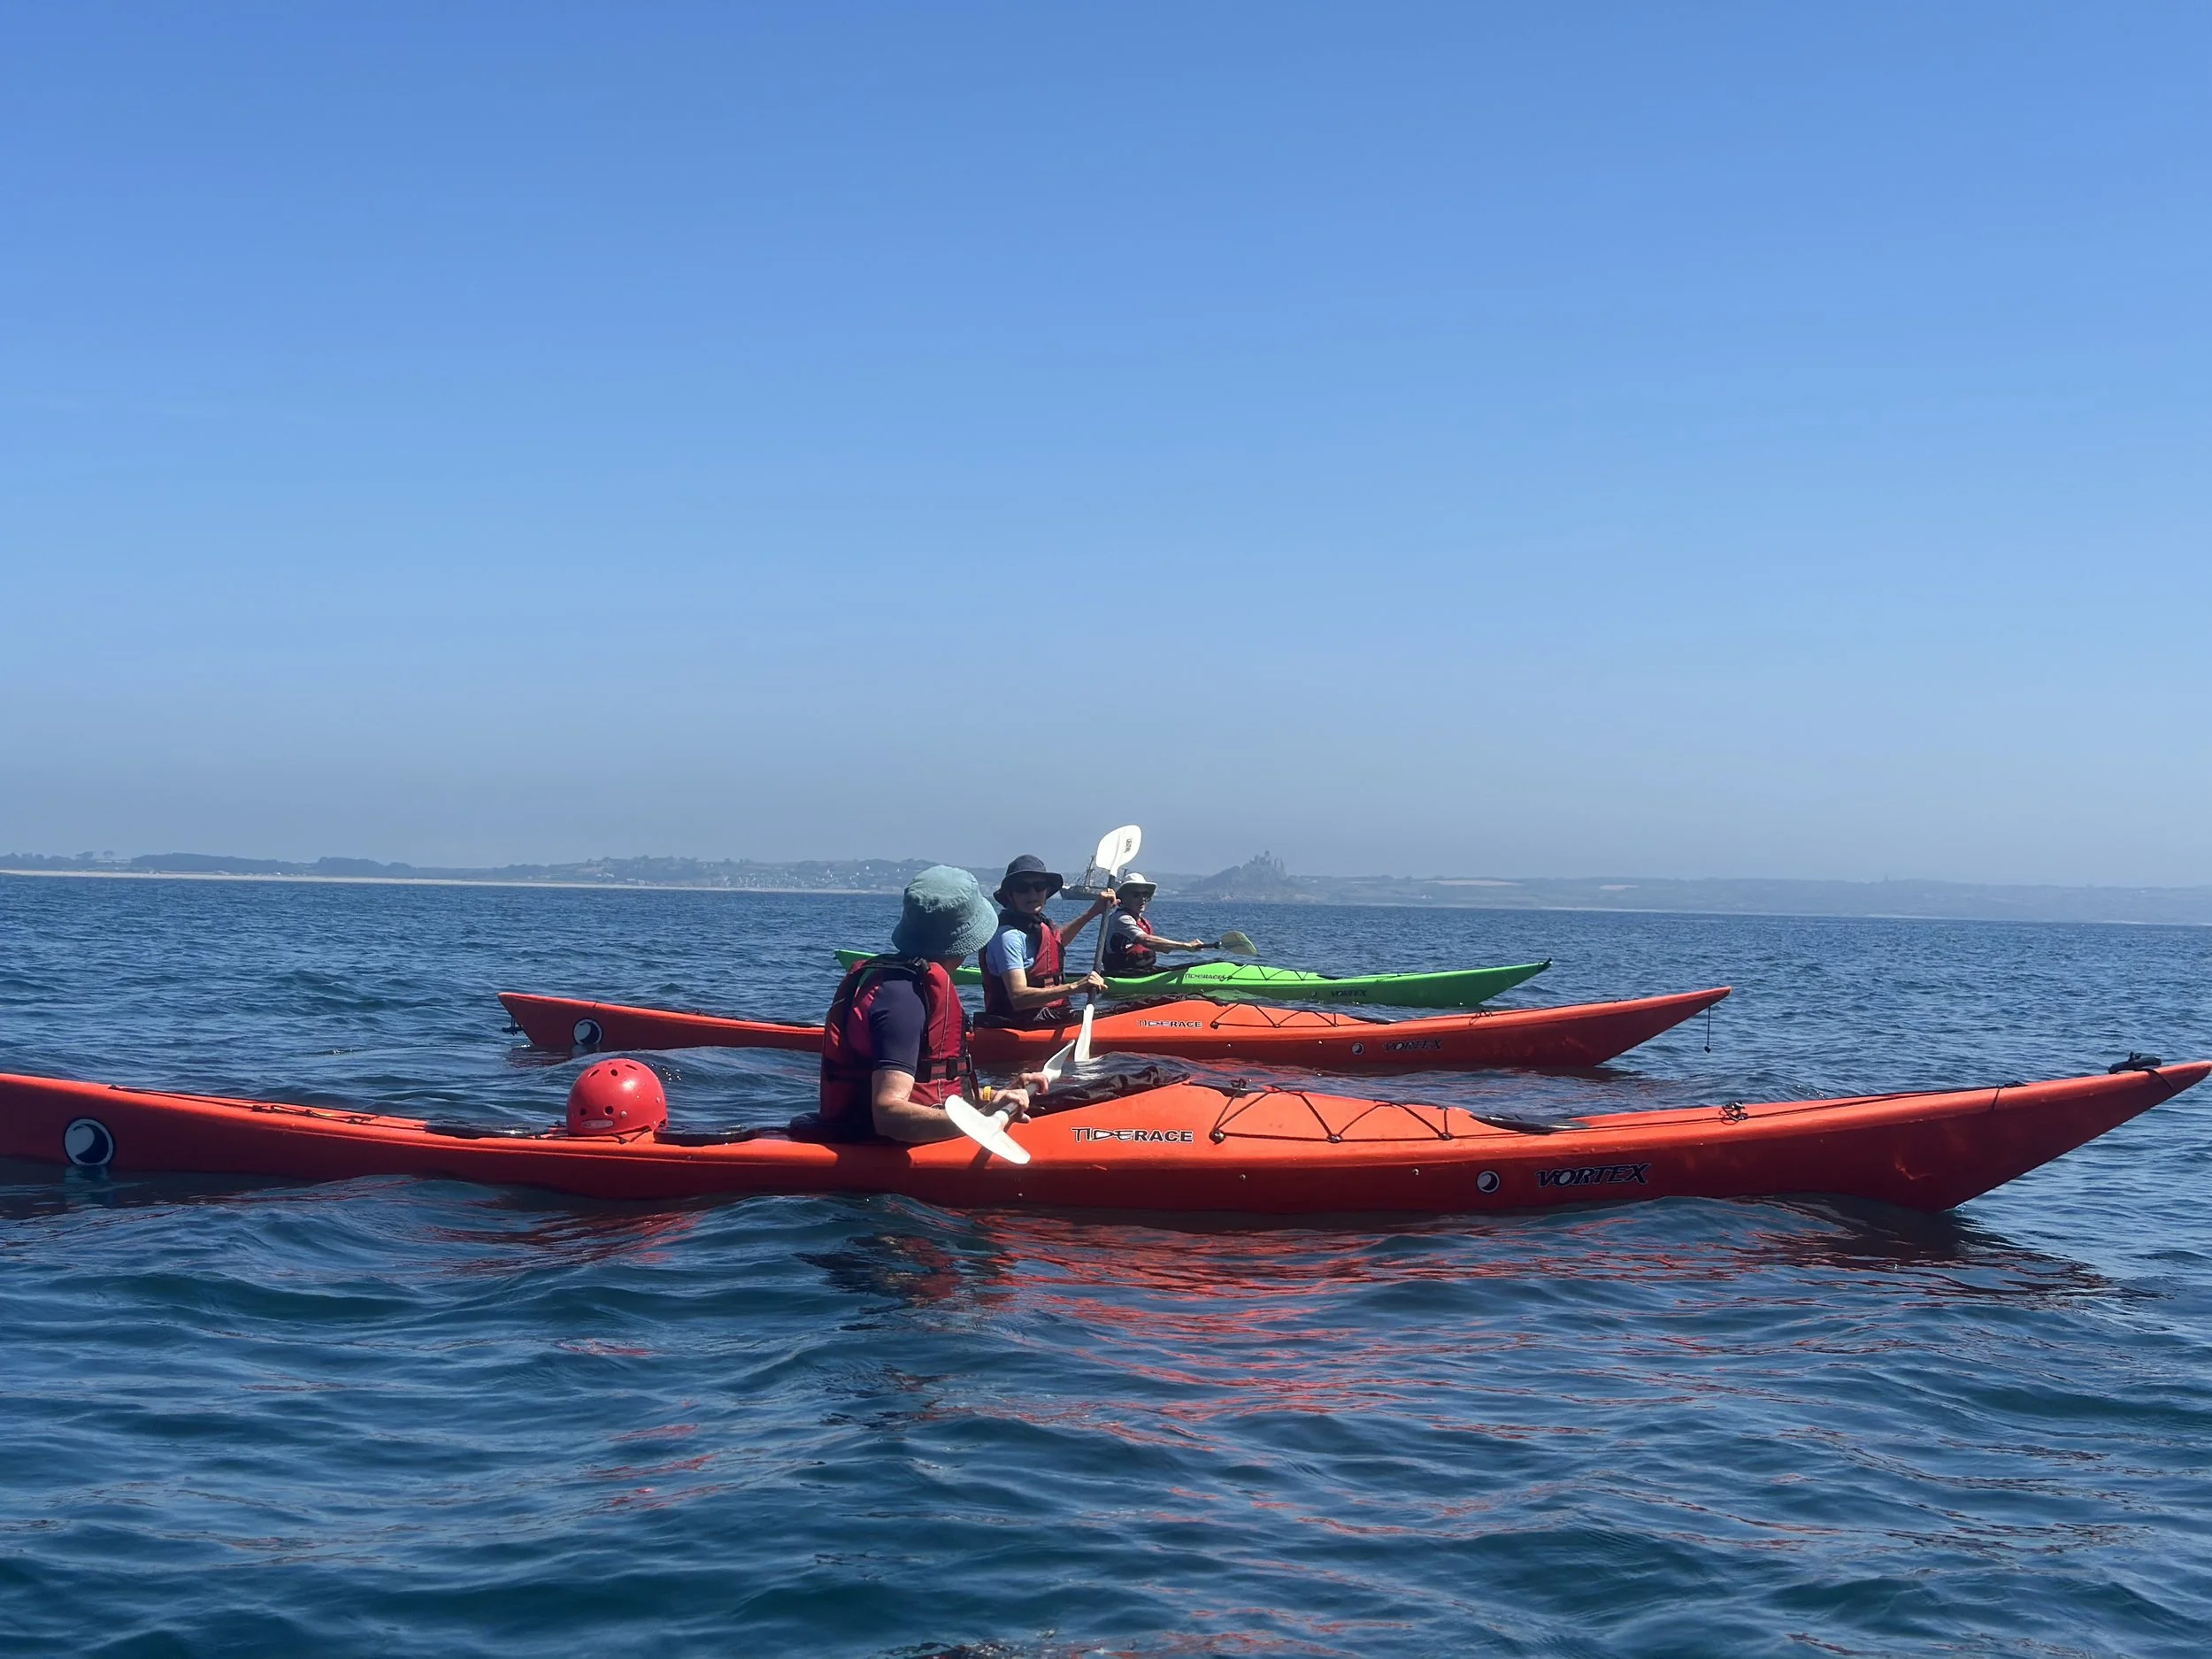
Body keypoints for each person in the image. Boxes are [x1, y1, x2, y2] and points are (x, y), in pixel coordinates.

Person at [817, 865, 1049, 1145]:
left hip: (928, 1133)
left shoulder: (917, 986)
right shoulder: (903, 999)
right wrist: (984, 1117)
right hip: (882, 1151)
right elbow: (888, 1114)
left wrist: (994, 1097)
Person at [979, 854, 1113, 1026]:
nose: (1032, 893)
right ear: (1010, 895)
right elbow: (1018, 998)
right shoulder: (1008, 938)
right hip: (1019, 1022)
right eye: (1022, 888)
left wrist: (1094, 911)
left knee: (1126, 1010)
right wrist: (1076, 987)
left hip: (1048, 1014)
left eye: (1039, 886)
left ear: (1046, 891)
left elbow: (1056, 943)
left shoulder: (1037, 925)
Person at [1102, 872, 1210, 977]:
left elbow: (1163, 948)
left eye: (1145, 894)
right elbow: (1147, 941)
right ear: (1123, 898)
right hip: (1121, 975)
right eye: (1136, 895)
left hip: (1142, 973)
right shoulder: (1121, 919)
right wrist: (1186, 946)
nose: (1142, 899)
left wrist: (1188, 947)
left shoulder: (1142, 922)